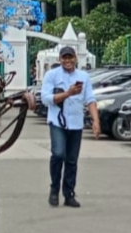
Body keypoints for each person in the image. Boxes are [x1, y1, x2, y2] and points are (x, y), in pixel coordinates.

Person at [40, 46, 100, 208]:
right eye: (64, 58)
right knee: (58, 154)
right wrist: (67, 93)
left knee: (72, 160)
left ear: (75, 59)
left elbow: (90, 99)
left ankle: (69, 194)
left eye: (70, 57)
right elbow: (46, 98)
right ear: (59, 59)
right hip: (57, 122)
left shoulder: (83, 76)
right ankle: (54, 189)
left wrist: (96, 121)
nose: (67, 61)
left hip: (76, 123)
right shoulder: (52, 75)